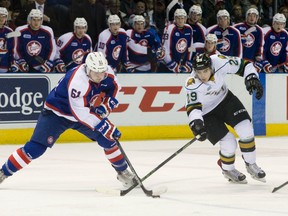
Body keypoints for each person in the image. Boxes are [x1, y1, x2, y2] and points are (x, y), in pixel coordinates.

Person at [0, 52, 136, 188]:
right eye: (96, 73)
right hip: (56, 113)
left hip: (83, 111)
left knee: (108, 140)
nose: (100, 76)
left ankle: (123, 172)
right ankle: (3, 172)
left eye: (102, 72)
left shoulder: (105, 71)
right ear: (88, 69)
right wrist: (104, 125)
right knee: (36, 148)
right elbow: (80, 114)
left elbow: (115, 87)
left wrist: (107, 105)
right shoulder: (77, 81)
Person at [185, 53, 266, 184]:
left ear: (211, 66)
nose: (202, 76)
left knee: (246, 130)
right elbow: (193, 107)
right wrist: (196, 124)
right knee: (229, 143)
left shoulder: (219, 61)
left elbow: (244, 65)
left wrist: (251, 76)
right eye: (199, 72)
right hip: (206, 113)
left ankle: (251, 164)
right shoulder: (192, 83)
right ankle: (228, 169)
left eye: (205, 71)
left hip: (226, 100)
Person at [162, 8, 193, 73]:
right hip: (168, 65)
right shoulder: (169, 29)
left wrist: (188, 62)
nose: (180, 20)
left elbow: (191, 47)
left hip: (183, 65)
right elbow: (165, 49)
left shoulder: (189, 28)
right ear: (175, 19)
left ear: (185, 19)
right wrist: (172, 64)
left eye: (182, 18)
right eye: (178, 18)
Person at [0, 6, 15, 72]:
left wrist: (12, 63)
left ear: (6, 18)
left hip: (4, 65)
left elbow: (11, 50)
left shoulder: (9, 31)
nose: (1, 18)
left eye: (4, 16)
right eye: (0, 16)